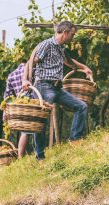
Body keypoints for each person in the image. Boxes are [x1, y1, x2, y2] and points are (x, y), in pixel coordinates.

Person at [21, 20, 93, 160]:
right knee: (40, 121)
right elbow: (30, 62)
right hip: (43, 86)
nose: (73, 38)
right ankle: (40, 156)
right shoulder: (46, 45)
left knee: (81, 106)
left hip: (57, 88)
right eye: (72, 35)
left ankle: (75, 139)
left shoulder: (60, 48)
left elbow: (69, 62)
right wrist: (25, 79)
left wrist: (84, 68)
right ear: (65, 33)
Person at [3, 62, 34, 158]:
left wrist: (6, 109)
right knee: (34, 127)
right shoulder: (31, 69)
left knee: (24, 130)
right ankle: (21, 155)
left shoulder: (11, 75)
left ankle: (21, 155)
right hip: (32, 101)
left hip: (20, 103)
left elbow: (7, 95)